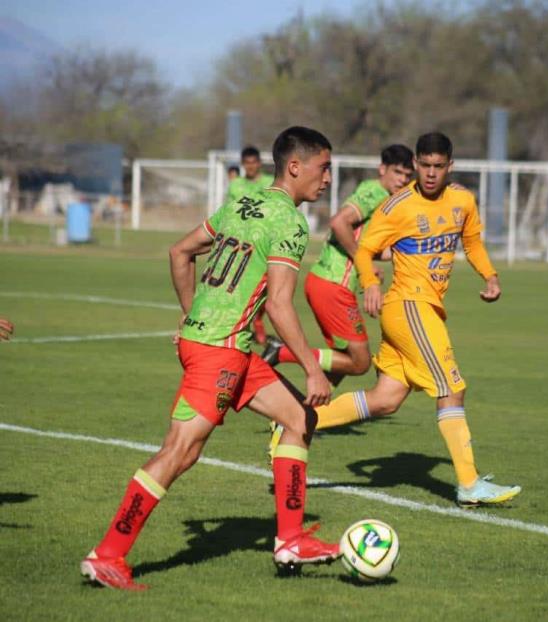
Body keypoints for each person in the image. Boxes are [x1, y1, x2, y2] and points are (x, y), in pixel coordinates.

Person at [81, 127, 339, 591]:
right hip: (221, 351)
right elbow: (280, 306)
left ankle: (291, 539)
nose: (327, 179)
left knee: (299, 418)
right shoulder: (291, 224)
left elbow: (180, 252)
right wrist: (313, 366)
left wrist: (190, 316)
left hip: (220, 344)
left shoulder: (241, 205)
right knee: (180, 451)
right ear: (295, 167)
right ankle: (107, 555)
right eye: (323, 168)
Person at [270, 132, 521, 507]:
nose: (431, 173)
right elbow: (367, 249)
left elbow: (472, 243)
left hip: (426, 308)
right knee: (452, 388)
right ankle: (469, 484)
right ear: (416, 164)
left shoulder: (463, 201)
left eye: (439, 166)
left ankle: (295, 421)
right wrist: (370, 283)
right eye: (424, 166)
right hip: (408, 306)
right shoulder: (397, 205)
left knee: (385, 400)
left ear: (450, 166)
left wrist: (490, 275)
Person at [262, 145, 414, 385]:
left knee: (345, 359)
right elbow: (339, 222)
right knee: (360, 362)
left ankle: (305, 415)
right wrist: (361, 261)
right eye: (398, 172)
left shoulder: (383, 198)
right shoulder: (374, 193)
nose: (403, 180)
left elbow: (366, 244)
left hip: (329, 283)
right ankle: (281, 351)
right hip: (333, 284)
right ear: (382, 169)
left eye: (407, 175)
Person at [226, 146, 275, 344]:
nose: (251, 166)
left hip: (263, 243)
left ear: (259, 163)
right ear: (243, 164)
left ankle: (258, 317)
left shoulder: (269, 182)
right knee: (238, 285)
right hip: (241, 245)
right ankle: (240, 326)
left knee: (270, 286)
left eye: (254, 162)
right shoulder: (235, 185)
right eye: (247, 163)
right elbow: (233, 211)